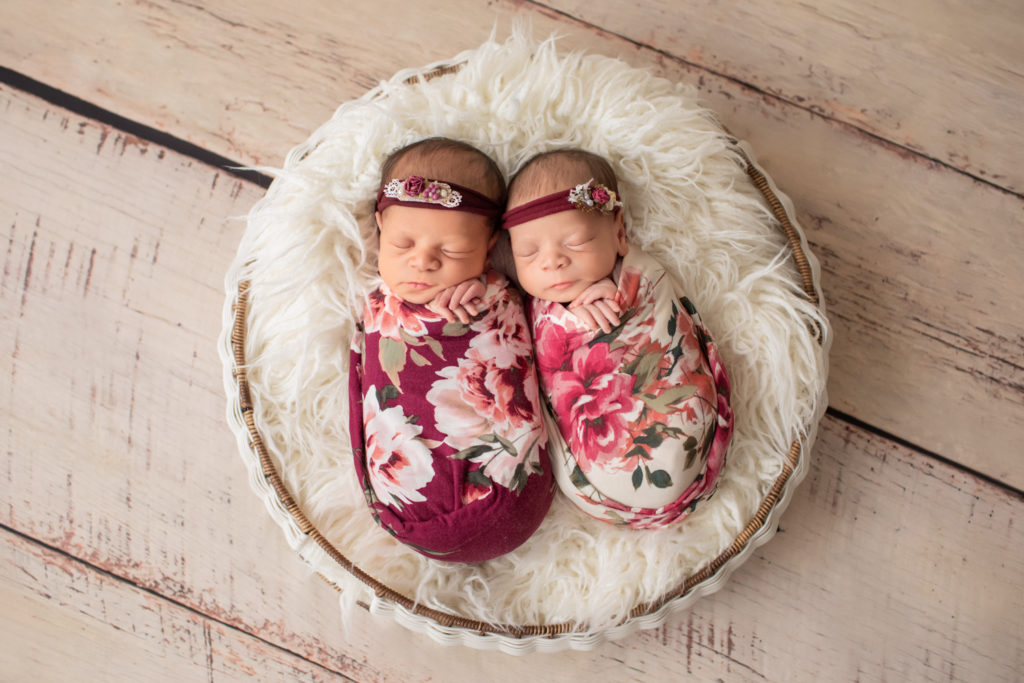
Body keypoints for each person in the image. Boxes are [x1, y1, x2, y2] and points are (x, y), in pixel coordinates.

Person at [502, 149, 733, 529]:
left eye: (574, 242)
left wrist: (615, 295)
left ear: (620, 233)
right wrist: (568, 317)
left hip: (675, 426)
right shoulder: (529, 306)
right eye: (528, 252)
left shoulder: (640, 279)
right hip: (600, 486)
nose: (551, 261)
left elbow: (665, 320)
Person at [348, 138, 552, 562]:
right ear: (380, 227)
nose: (422, 262)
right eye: (403, 244)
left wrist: (485, 297)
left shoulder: (492, 292)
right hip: (405, 507)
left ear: (489, 245)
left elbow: (521, 333)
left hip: (506, 497)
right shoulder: (374, 301)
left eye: (452, 250)